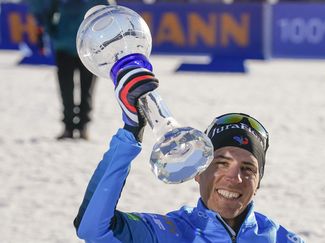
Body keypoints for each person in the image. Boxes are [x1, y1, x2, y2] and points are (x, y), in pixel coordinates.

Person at [73, 62, 305, 242]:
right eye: (222, 163)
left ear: (258, 183)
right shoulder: (170, 234)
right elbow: (94, 229)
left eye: (248, 169)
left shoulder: (281, 239)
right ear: (198, 171)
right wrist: (131, 132)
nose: (235, 178)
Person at [26, 0, 109, 140]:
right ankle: (69, 127)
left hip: (88, 48)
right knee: (66, 89)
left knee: (86, 89)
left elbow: (108, 14)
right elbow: (44, 9)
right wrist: (52, 31)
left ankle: (82, 127)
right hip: (64, 46)